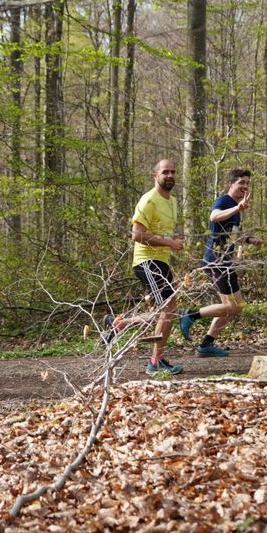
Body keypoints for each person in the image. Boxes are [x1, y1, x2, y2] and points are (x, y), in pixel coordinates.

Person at [104, 159, 185, 375]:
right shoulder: (149, 200)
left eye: (173, 172)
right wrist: (169, 243)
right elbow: (137, 235)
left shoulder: (173, 202)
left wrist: (174, 240)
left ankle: (119, 325)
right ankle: (155, 362)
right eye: (165, 172)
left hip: (162, 261)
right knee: (169, 309)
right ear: (155, 175)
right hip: (146, 261)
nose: (170, 176)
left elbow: (161, 231)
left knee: (168, 311)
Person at [179, 168, 261, 356]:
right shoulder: (225, 201)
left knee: (233, 308)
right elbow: (214, 216)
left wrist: (248, 240)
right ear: (231, 184)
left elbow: (232, 235)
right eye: (241, 182)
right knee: (235, 307)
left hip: (224, 262)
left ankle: (206, 344)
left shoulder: (236, 207)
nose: (245, 186)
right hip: (216, 261)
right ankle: (190, 314)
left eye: (247, 183)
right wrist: (237, 208)